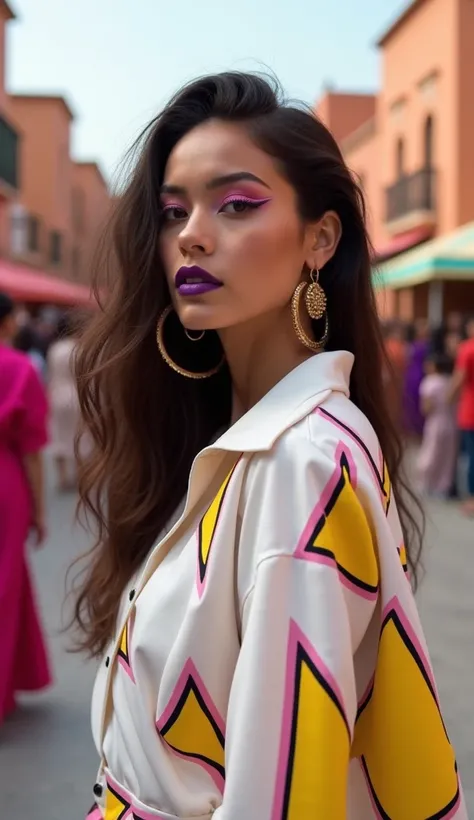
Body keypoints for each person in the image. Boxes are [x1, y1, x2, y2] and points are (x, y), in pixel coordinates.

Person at [73, 74, 466, 819]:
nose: (190, 233)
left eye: (237, 203)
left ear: (320, 237)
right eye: (172, 210)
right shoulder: (253, 443)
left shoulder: (299, 464)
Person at [0, 292, 52, 723]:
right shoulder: (20, 369)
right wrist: (38, 509)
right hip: (6, 481)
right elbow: (33, 448)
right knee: (5, 584)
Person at [417, 353, 457, 497]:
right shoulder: (450, 381)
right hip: (451, 422)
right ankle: (443, 487)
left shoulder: (430, 382)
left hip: (435, 421)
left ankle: (425, 483)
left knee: (431, 452)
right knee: (447, 456)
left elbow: (426, 407)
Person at [47, 313, 80, 491]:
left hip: (57, 394)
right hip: (75, 395)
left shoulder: (54, 348)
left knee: (59, 435)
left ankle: (62, 477)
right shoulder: (78, 348)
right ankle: (77, 475)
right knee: (78, 436)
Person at [451, 314, 474, 515]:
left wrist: (448, 396)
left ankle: (472, 500)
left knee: (471, 456)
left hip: (470, 411)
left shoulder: (468, 348)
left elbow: (460, 377)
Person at [403, 317, 431, 438]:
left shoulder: (430, 345)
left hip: (423, 375)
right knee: (411, 401)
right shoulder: (411, 345)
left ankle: (420, 429)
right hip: (412, 375)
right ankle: (411, 429)